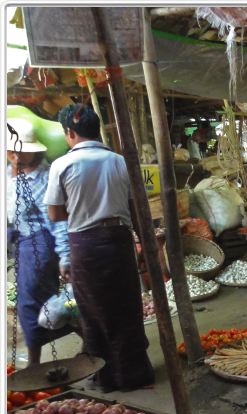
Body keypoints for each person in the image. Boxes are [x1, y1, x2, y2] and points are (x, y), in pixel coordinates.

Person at [45, 104, 154, 392]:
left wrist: (83, 207)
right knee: (126, 307)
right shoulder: (119, 161)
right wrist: (143, 241)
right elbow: (134, 206)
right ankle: (134, 374)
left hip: (86, 244)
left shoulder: (62, 165)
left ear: (70, 132)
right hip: (119, 240)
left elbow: (54, 214)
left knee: (93, 312)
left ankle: (105, 377)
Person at [6, 118, 76, 367]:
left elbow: (57, 222)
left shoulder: (45, 177)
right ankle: (82, 335)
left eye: (16, 150)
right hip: (21, 242)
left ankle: (35, 362)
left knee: (30, 302)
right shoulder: (7, 173)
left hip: (41, 244)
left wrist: (65, 257)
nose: (11, 154)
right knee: (43, 301)